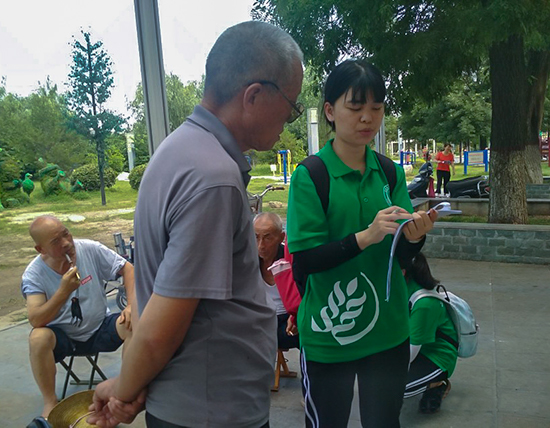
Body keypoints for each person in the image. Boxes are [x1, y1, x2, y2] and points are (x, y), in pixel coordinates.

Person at [88, 21, 304, 428]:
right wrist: (123, 389)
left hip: (196, 402)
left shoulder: (178, 150)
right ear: (254, 96)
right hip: (213, 410)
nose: (290, 119)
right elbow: (162, 325)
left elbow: (160, 293)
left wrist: (132, 384)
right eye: (291, 105)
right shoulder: (213, 178)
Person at [286, 59, 437, 428]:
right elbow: (305, 260)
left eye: (376, 108)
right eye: (355, 107)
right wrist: (365, 237)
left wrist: (414, 237)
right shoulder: (311, 176)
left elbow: (400, 255)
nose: (367, 118)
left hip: (388, 331)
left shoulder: (389, 172)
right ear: (330, 111)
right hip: (330, 332)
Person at [20, 215, 134, 418]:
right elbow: (36, 319)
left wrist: (132, 305)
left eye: (66, 234)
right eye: (56, 241)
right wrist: (63, 291)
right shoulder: (34, 274)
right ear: (41, 249)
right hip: (64, 339)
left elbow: (128, 268)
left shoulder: (89, 249)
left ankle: (126, 389)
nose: (66, 243)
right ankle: (50, 402)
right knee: (38, 337)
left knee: (136, 322)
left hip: (101, 327)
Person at [401, 252, 457, 414]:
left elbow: (410, 352)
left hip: (436, 356)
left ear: (402, 272)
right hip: (416, 347)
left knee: (389, 388)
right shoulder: (403, 289)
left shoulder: (424, 304)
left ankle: (437, 383)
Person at [254, 212, 300, 349]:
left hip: (288, 318)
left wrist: (296, 317)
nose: (261, 245)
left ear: (281, 237)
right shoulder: (247, 262)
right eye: (256, 237)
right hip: (260, 319)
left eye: (268, 238)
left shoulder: (292, 261)